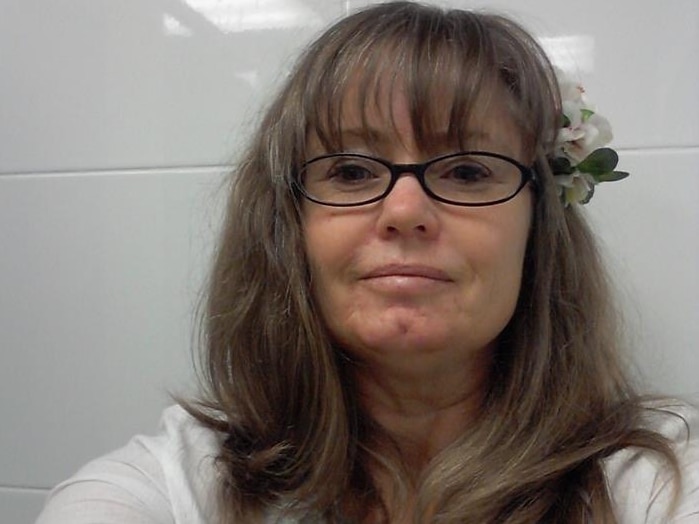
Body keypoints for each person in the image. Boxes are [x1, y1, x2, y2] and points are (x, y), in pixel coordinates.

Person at [37, 2, 698, 523]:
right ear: (289, 227)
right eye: (351, 170)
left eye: (468, 169)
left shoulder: (658, 479)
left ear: (540, 229)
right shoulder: (177, 487)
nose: (404, 208)